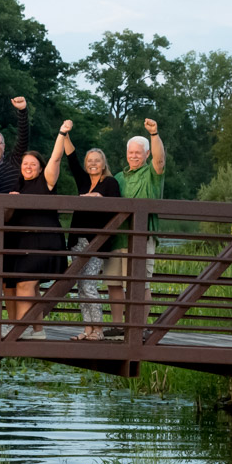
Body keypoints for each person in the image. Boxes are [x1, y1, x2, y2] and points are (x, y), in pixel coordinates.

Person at [1, 122, 68, 339]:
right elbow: (7, 218)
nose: (28, 167)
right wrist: (11, 204)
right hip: (22, 243)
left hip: (44, 240)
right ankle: (37, 330)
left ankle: (20, 328)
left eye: (32, 164)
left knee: (26, 283)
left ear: (40, 167)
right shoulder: (18, 187)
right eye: (25, 164)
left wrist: (61, 133)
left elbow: (56, 158)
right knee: (27, 285)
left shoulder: (45, 182)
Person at [107, 118, 167, 337]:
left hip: (142, 237)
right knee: (114, 283)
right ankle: (117, 326)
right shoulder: (118, 178)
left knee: (140, 284)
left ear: (146, 154)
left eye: (138, 153)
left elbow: (160, 161)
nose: (134, 156)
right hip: (118, 238)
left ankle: (138, 328)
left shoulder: (152, 174)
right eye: (131, 152)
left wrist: (154, 134)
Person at [62, 127, 123, 341]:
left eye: (97, 160)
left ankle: (98, 329)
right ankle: (87, 329)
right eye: (90, 160)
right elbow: (71, 157)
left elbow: (116, 210)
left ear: (103, 163)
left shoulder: (110, 183)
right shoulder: (83, 181)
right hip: (77, 240)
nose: (92, 163)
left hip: (97, 243)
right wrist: (65, 133)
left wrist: (99, 198)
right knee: (80, 287)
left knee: (89, 285)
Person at [0, 99, 31, 194]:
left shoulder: (12, 163)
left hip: (4, 208)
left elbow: (23, 138)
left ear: (4, 146)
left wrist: (22, 112)